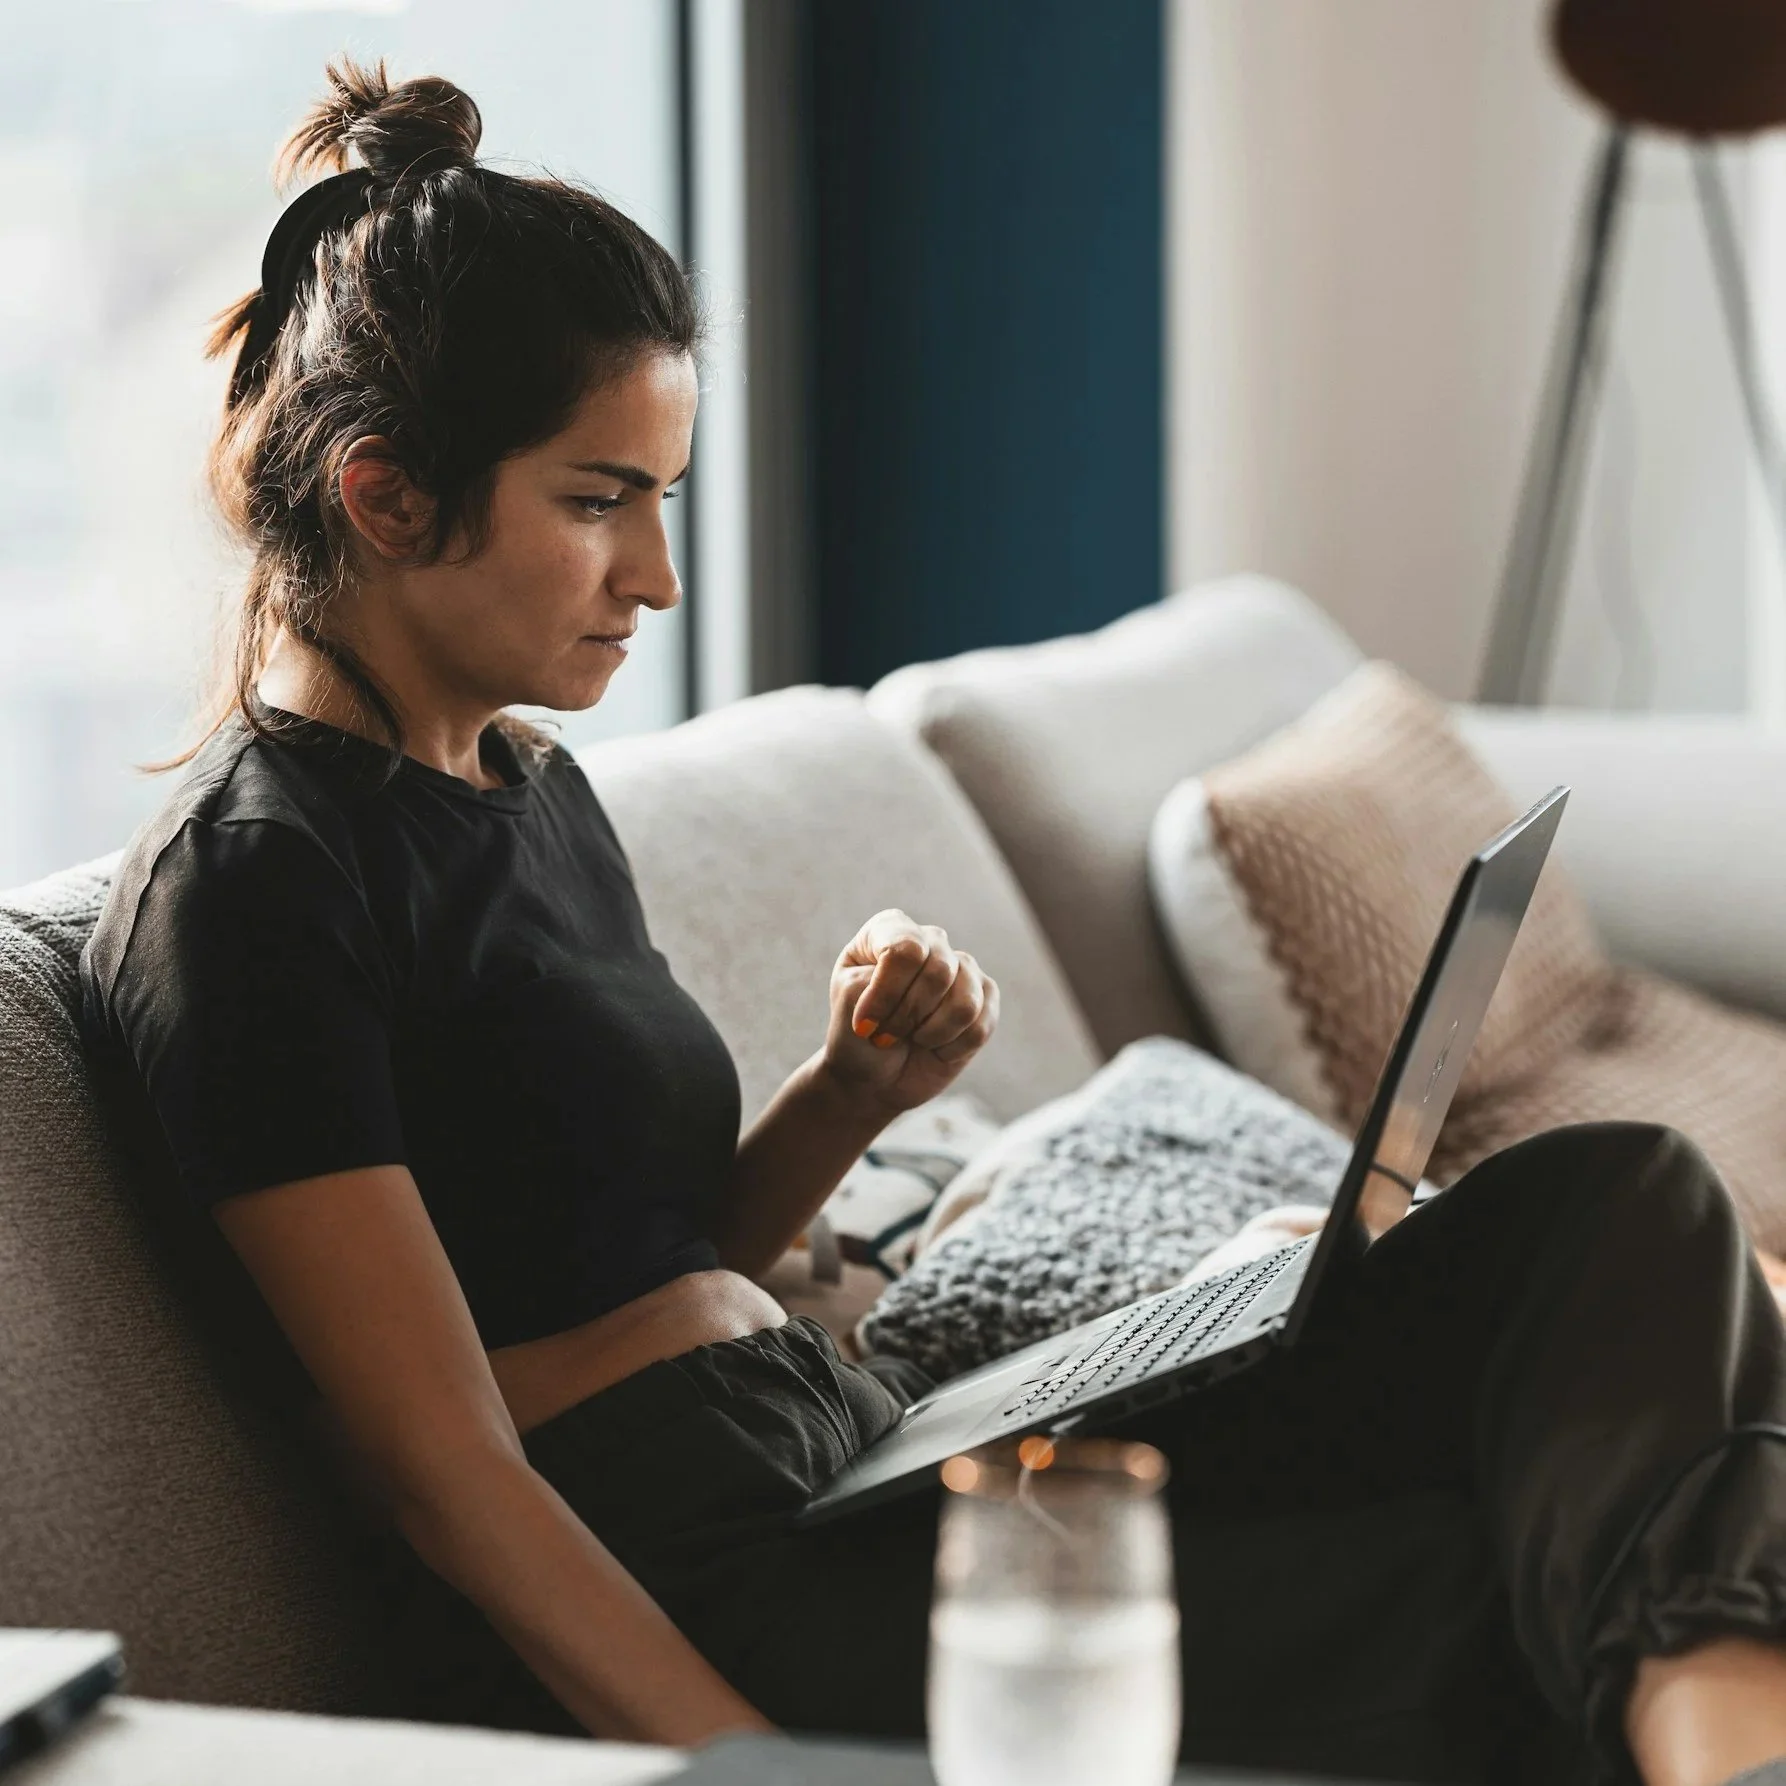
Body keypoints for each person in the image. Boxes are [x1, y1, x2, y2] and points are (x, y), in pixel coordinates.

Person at [76, 61, 1786, 1786]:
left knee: (1616, 1202)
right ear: (382, 495)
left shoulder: (524, 785)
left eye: (663, 497)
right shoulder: (254, 886)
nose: (655, 576)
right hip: (732, 1586)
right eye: (599, 500)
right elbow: (436, 1473)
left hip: (868, 1447)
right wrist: (748, 1762)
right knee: (1524, 1555)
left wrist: (852, 1089)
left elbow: (672, 1257)